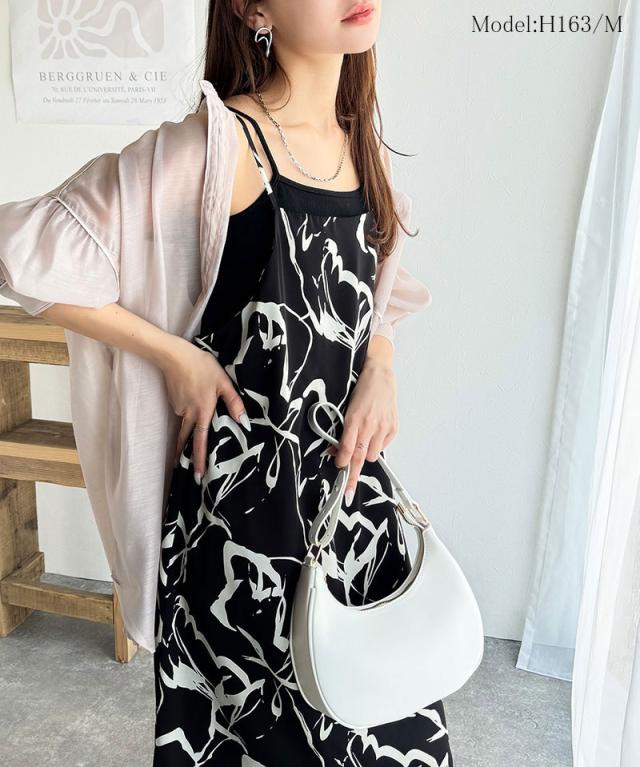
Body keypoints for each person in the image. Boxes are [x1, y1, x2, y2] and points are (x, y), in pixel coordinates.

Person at [0, 1, 452, 764]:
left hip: (351, 511)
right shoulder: (217, 146)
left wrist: (381, 361)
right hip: (244, 531)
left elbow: (378, 289)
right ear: (251, 8)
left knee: (396, 731)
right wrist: (173, 355)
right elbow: (21, 248)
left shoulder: (358, 145)